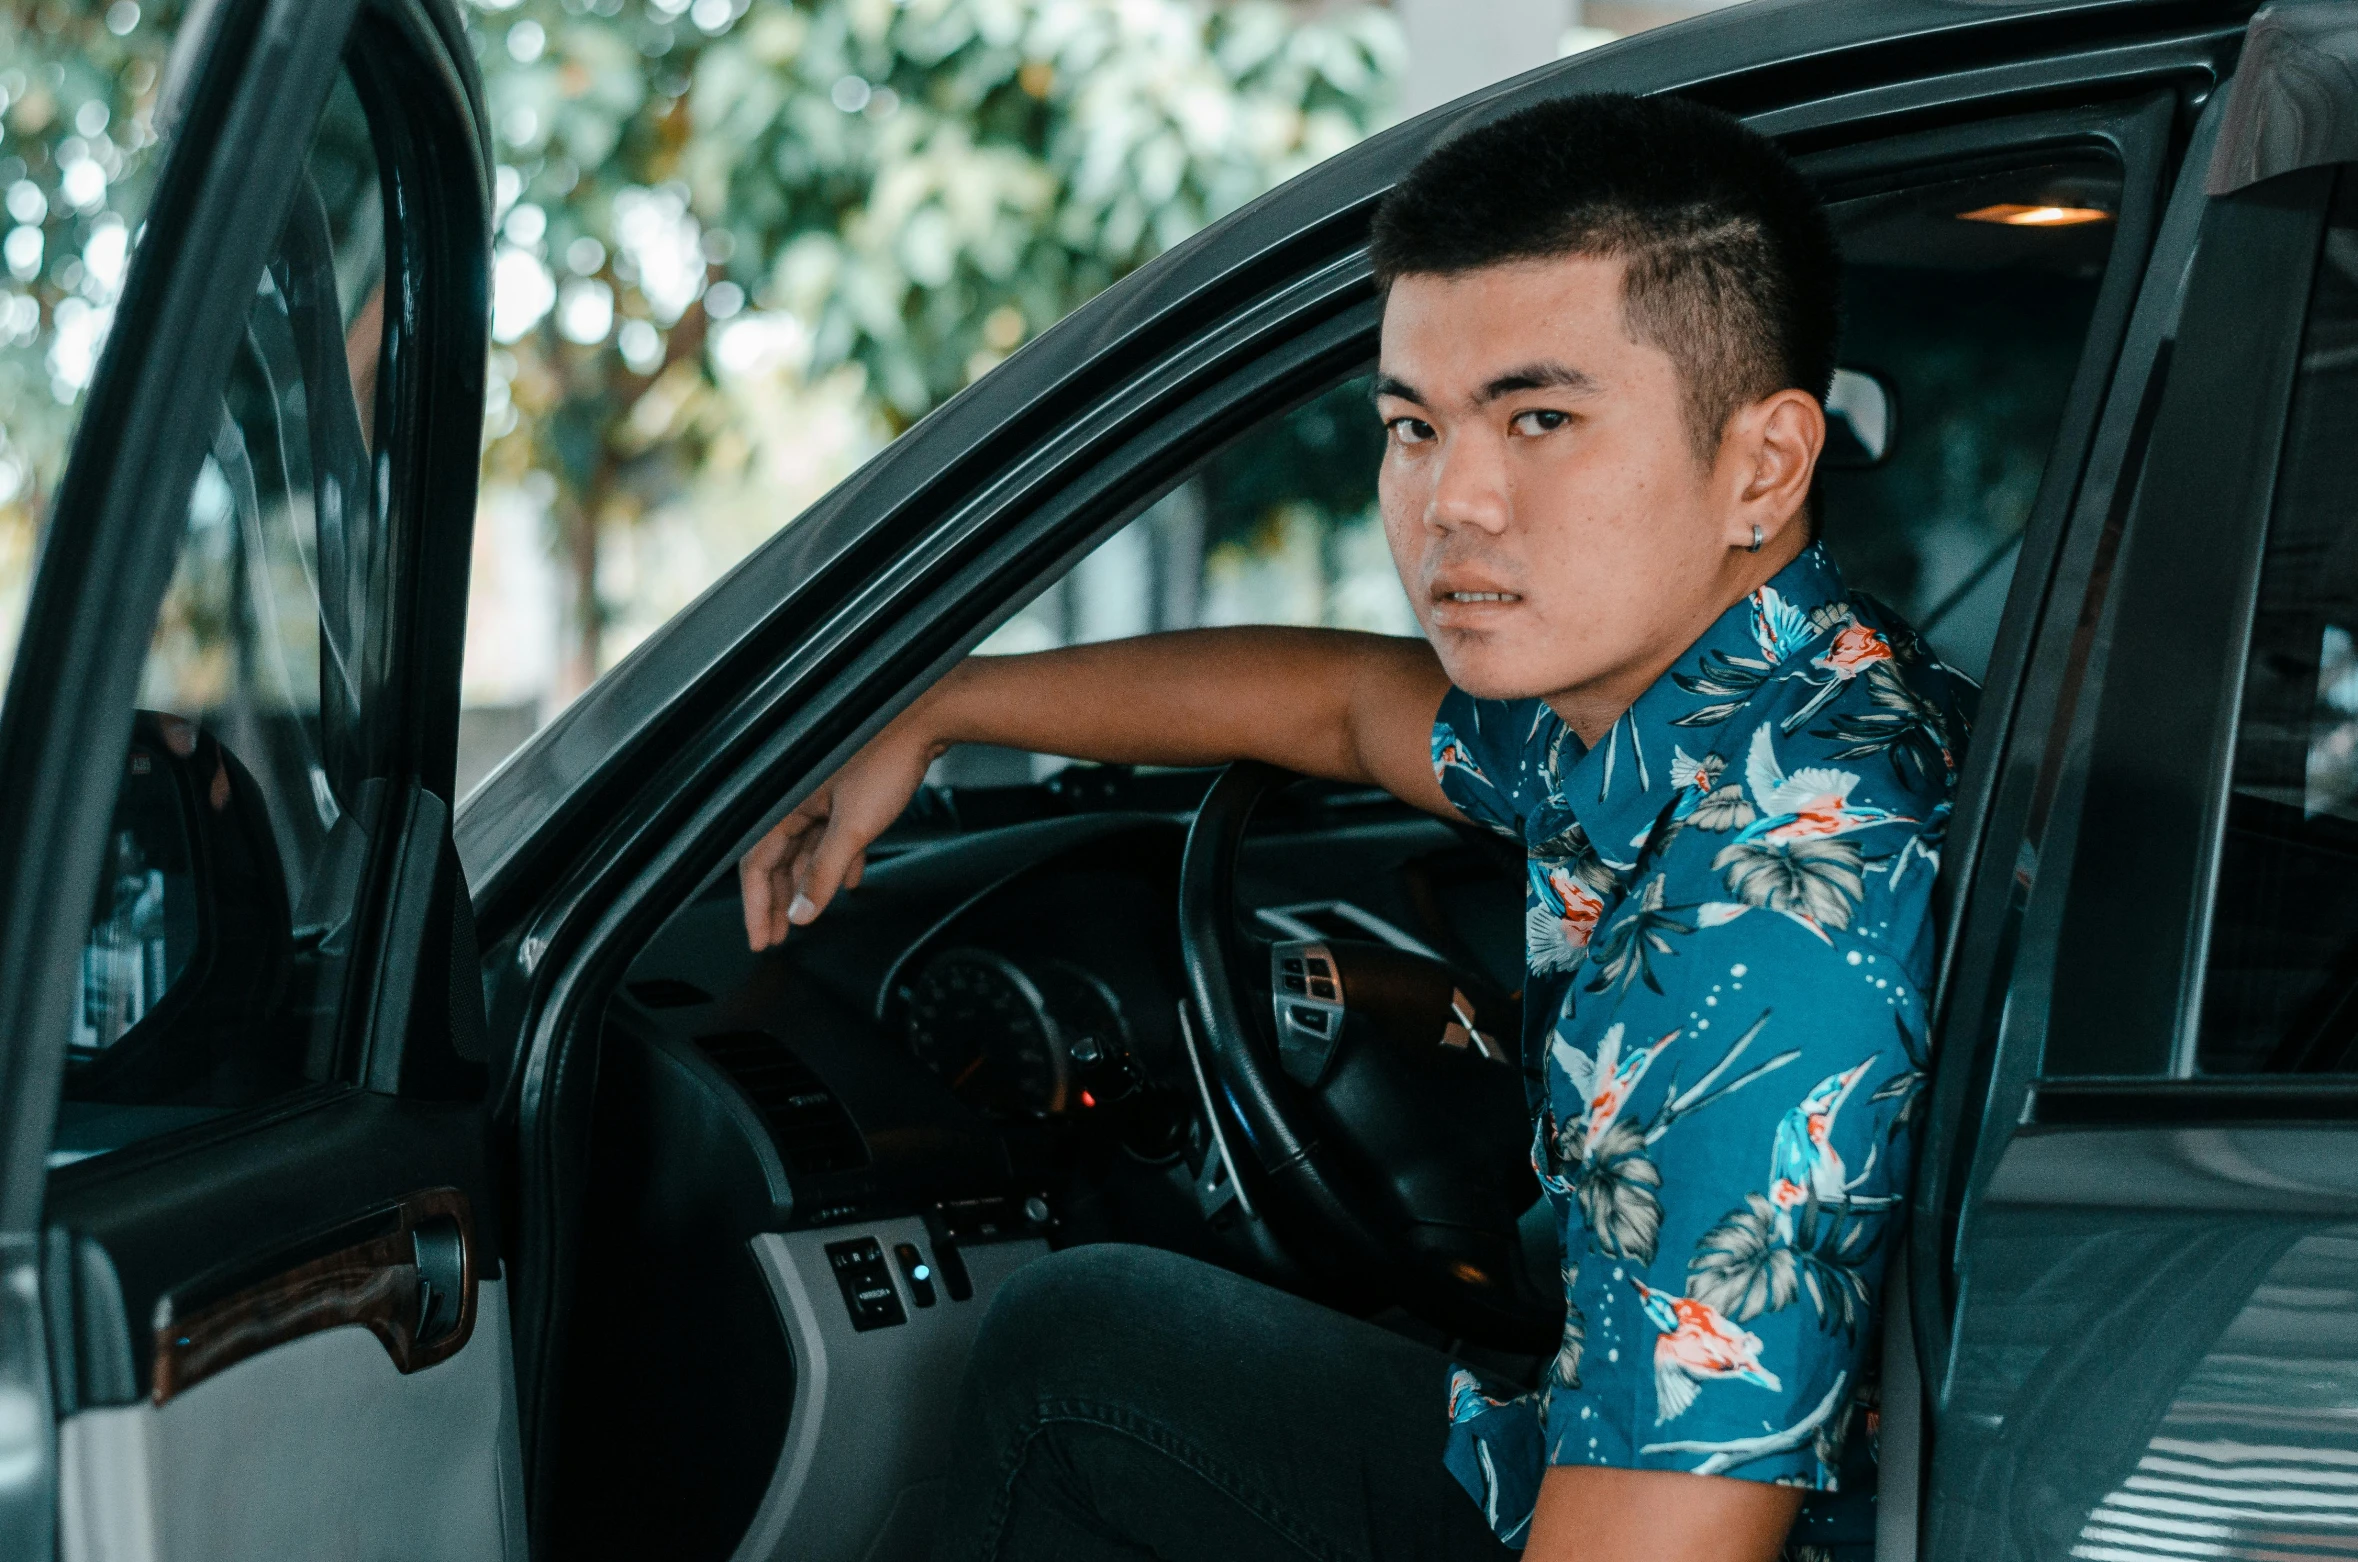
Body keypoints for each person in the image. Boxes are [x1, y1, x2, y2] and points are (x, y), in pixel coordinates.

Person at [740, 91, 1969, 1562]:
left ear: (1763, 465)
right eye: (1410, 424)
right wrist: (941, 702)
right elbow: (1335, 705)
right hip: (1611, 1433)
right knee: (1093, 1333)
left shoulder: (1762, 921)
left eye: (1539, 419)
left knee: (1078, 1351)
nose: (1450, 500)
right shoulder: (1753, 695)